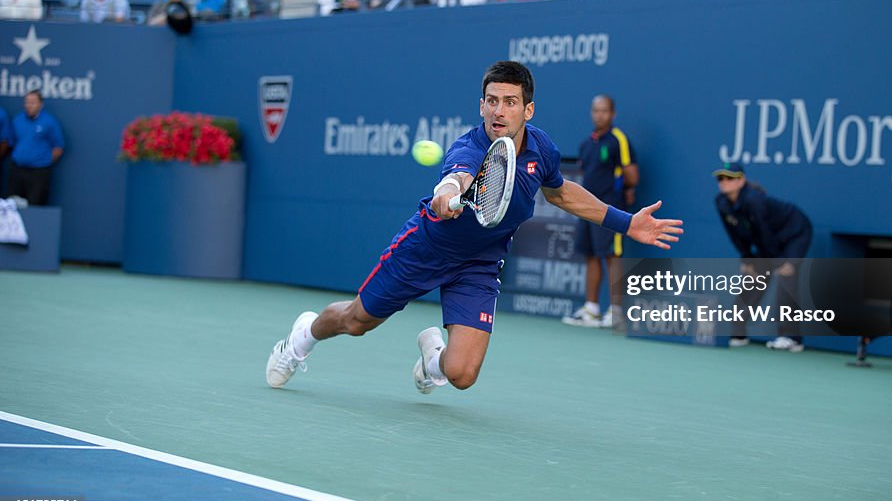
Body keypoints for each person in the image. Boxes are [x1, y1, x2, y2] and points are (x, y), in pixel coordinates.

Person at [265, 62, 683, 394]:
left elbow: (561, 193)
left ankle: (431, 360)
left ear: (528, 109)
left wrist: (627, 223)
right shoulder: (468, 147)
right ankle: (302, 338)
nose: (499, 110)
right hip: (427, 248)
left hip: (480, 262)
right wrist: (447, 196)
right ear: (481, 105)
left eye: (510, 102)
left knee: (461, 374)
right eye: (492, 101)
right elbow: (455, 179)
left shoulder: (543, 149)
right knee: (356, 321)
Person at [713, 162, 812, 352]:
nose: (724, 182)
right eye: (720, 178)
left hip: (794, 234)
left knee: (786, 276)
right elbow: (734, 234)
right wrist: (747, 258)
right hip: (769, 241)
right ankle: (738, 333)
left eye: (729, 178)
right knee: (752, 279)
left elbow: (766, 233)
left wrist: (780, 262)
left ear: (741, 180)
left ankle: (792, 338)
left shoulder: (754, 200)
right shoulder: (721, 203)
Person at [562, 95, 638, 330]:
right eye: (596, 110)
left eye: (604, 111)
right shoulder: (587, 144)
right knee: (591, 255)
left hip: (611, 209)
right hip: (587, 207)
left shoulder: (618, 140)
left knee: (611, 255)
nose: (599, 115)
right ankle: (592, 309)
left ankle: (615, 312)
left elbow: (632, 176)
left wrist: (622, 189)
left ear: (612, 114)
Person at [8, 91, 65, 206]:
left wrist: (43, 161)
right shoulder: (17, 120)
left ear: (41, 104)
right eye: (27, 102)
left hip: (38, 173)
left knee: (35, 206)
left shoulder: (49, 122)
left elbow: (58, 147)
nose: (29, 105)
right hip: (18, 170)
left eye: (33, 102)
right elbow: (11, 142)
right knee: (13, 206)